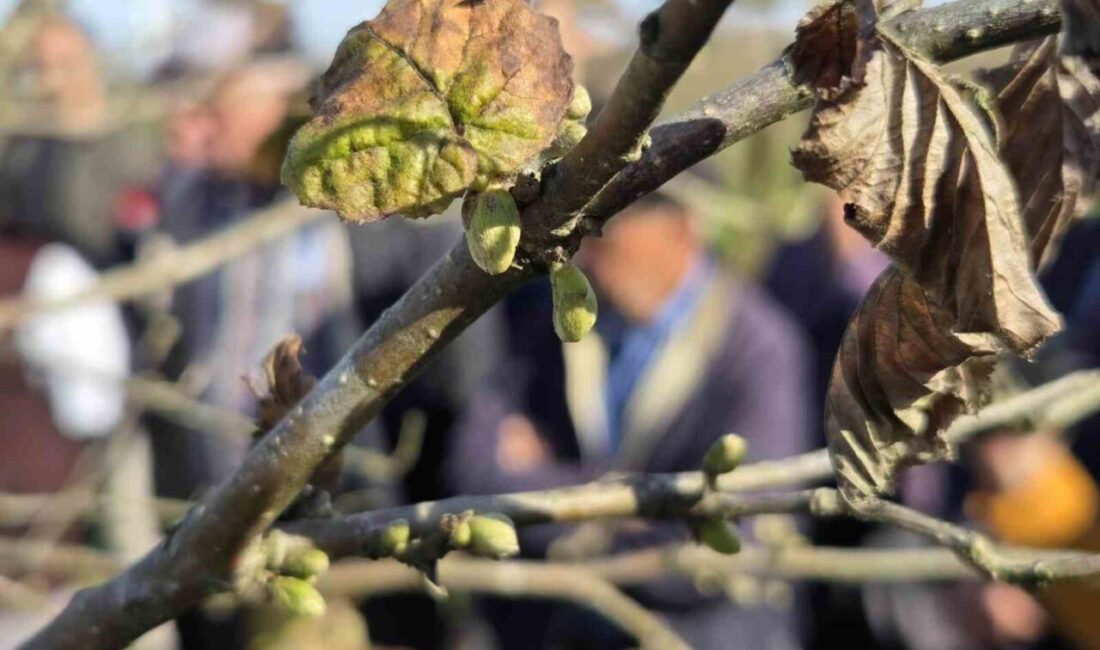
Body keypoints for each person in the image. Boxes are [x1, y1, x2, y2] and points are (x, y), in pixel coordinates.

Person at [447, 188, 815, 649]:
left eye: (605, 236)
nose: (588, 257)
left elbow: (738, 540)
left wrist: (565, 492)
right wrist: (646, 507)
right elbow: (475, 472)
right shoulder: (548, 316)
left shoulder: (759, 350)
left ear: (680, 229)